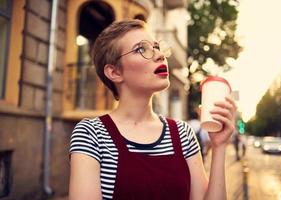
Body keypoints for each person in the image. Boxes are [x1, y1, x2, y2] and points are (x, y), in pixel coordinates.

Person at [68, 19, 237, 200]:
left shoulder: (182, 133)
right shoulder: (91, 134)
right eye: (141, 49)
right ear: (115, 72)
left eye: (156, 47)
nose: (159, 55)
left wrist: (219, 146)